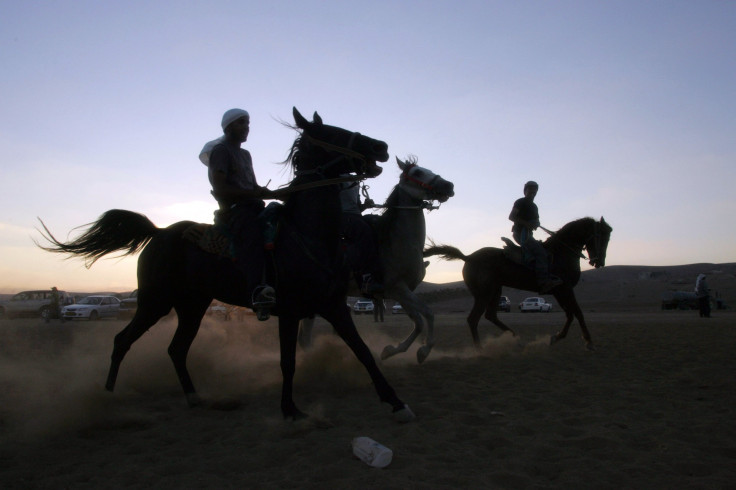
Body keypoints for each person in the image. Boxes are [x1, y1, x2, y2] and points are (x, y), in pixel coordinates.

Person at [199, 108, 275, 320]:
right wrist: (253, 193)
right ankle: (256, 292)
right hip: (236, 211)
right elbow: (221, 188)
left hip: (254, 206)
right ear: (228, 126)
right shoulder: (221, 151)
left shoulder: (245, 154)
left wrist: (273, 193)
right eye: (241, 123)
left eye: (248, 123)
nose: (246, 127)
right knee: (253, 236)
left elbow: (253, 186)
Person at [508, 181, 563, 293]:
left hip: (529, 234)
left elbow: (536, 222)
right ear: (525, 191)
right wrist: (527, 223)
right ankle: (543, 282)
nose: (533, 192)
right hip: (520, 234)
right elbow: (511, 217)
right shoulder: (520, 202)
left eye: (535, 190)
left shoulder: (534, 207)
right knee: (541, 253)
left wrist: (536, 223)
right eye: (530, 190)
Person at [339, 180, 383, 295]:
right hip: (341, 217)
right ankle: (367, 278)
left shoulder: (355, 181)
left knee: (379, 224)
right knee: (364, 231)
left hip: (356, 216)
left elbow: (357, 207)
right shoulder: (336, 178)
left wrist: (365, 205)